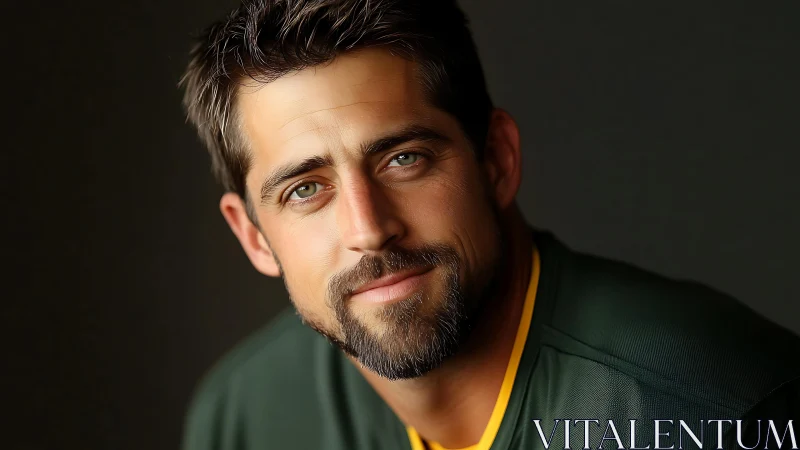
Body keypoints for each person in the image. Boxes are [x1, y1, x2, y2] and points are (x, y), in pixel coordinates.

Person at [178, 1, 800, 449]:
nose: (368, 229)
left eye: (404, 159)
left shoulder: (722, 409)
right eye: (305, 189)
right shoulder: (244, 417)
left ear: (497, 160)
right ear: (253, 236)